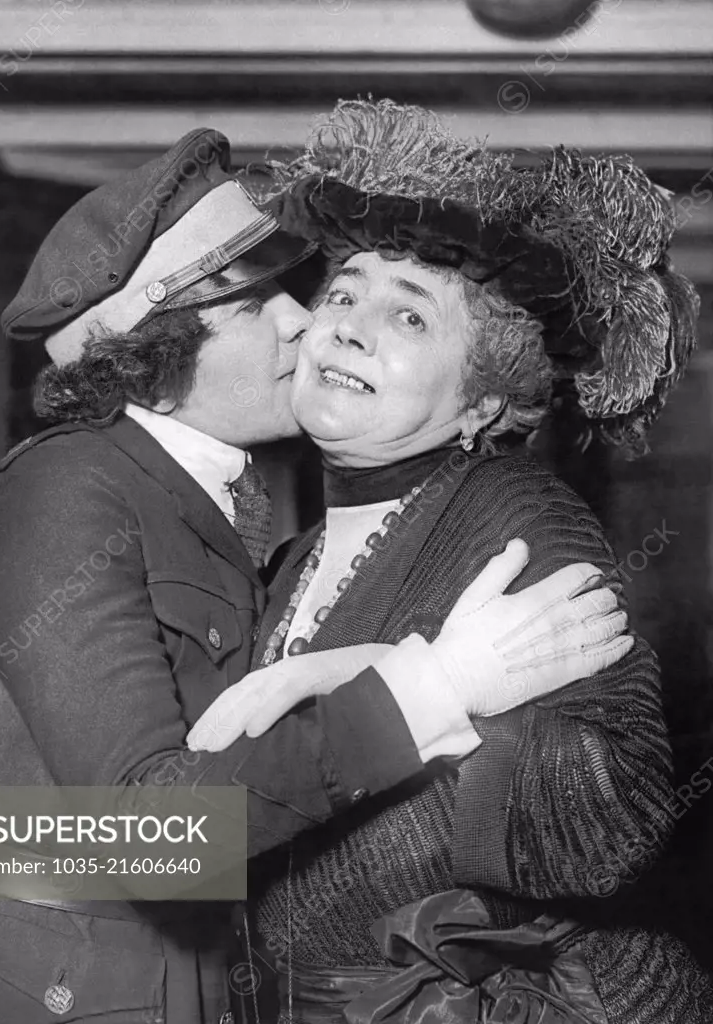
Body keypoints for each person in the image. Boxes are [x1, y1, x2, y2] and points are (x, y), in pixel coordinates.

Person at [0, 128, 629, 1024]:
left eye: (298, 289)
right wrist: (427, 686)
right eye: (254, 304)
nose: (304, 319)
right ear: (155, 353)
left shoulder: (219, 508)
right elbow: (143, 840)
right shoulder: (69, 487)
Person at [189, 100, 713, 1023]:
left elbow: (618, 817)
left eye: (411, 318)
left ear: (481, 403)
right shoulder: (299, 549)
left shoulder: (519, 518)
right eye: (343, 294)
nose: (347, 327)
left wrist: (420, 687)